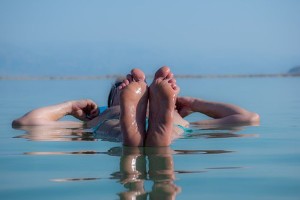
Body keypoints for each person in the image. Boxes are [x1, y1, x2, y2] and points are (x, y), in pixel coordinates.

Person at [12, 66, 260, 147]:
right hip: (175, 128)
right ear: (109, 102)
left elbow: (26, 124)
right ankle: (166, 171)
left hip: (112, 128)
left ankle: (129, 137)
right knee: (176, 130)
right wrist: (194, 106)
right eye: (126, 88)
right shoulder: (182, 121)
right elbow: (246, 119)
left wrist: (67, 108)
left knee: (117, 132)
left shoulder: (93, 123)